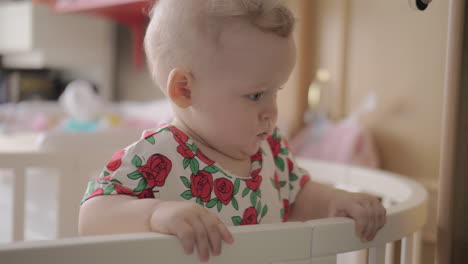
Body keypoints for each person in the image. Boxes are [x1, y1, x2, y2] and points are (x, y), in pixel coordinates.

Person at [78, 0, 386, 262]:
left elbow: (297, 195)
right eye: (255, 95)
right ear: (185, 89)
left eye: (274, 92)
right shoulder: (158, 156)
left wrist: (336, 200)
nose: (272, 111)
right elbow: (91, 217)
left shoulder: (271, 148)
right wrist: (156, 214)